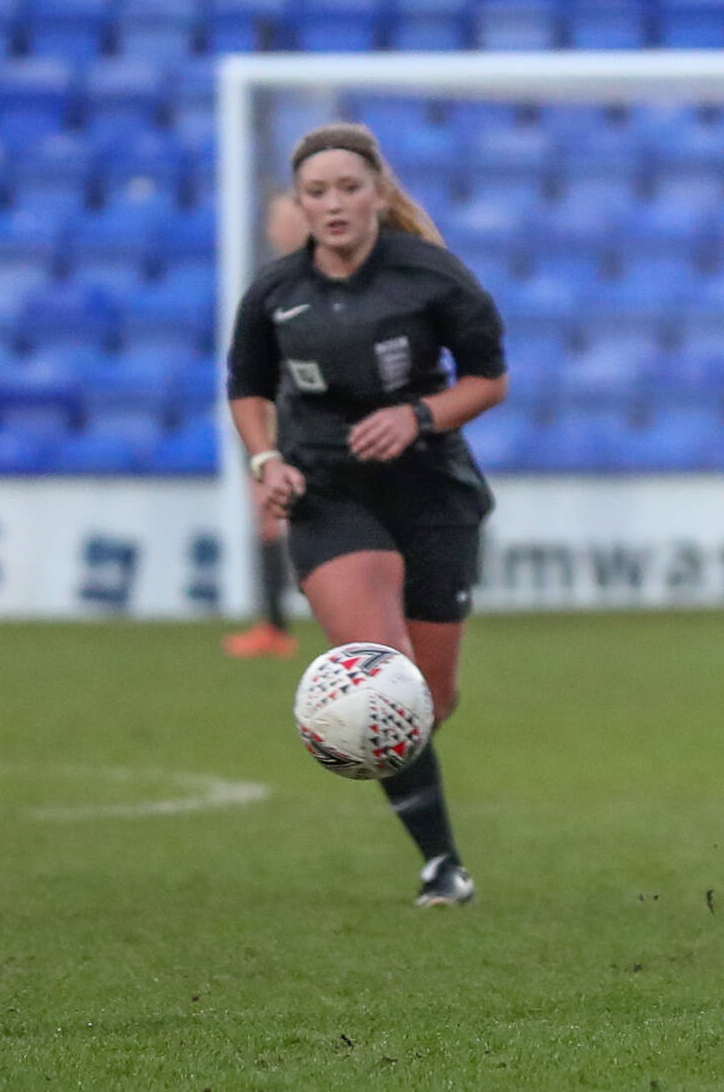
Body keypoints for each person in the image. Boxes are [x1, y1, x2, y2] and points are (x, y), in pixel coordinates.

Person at [225, 123, 509, 907]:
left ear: (379, 193)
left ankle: (400, 774)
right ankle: (442, 867)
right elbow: (245, 388)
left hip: (429, 492)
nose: (334, 204)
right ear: (300, 203)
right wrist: (266, 460)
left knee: (430, 700)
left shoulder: (433, 276)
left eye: (349, 188)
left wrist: (419, 416)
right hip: (328, 492)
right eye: (317, 192)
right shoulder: (275, 294)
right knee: (384, 670)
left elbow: (488, 380)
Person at [224, 192, 313, 660]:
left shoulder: (325, 280)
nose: (279, 226)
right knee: (267, 517)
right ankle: (274, 624)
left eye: (288, 216)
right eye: (274, 217)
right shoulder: (269, 285)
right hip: (274, 418)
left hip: (313, 420)